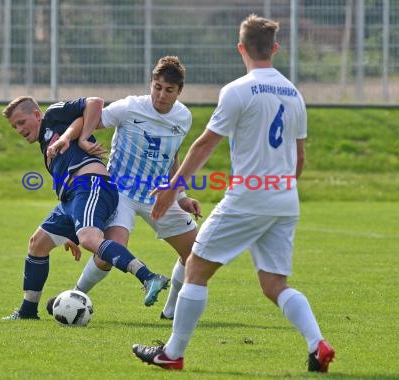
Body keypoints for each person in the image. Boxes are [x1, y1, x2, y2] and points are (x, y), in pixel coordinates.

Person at [131, 14, 335, 372]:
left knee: (195, 268)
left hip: (249, 195)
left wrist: (172, 188)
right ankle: (317, 344)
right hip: (285, 197)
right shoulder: (294, 93)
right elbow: (299, 158)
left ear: (241, 48)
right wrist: (281, 192)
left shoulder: (238, 90)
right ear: (274, 48)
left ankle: (172, 353)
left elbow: (205, 144)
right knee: (274, 284)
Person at [47, 56, 202, 318]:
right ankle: (74, 297)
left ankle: (171, 311)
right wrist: (67, 138)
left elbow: (172, 156)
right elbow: (88, 119)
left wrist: (181, 195)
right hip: (121, 194)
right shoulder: (131, 107)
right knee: (109, 251)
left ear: (179, 91)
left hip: (158, 195)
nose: (161, 95)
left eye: (169, 90)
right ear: (151, 84)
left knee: (194, 252)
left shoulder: (183, 117)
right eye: (157, 87)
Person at [0, 95, 169, 320]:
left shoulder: (52, 114)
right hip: (71, 199)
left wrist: (83, 139)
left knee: (89, 239)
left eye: (21, 122)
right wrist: (65, 233)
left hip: (90, 185)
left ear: (37, 114)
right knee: (38, 243)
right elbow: (76, 122)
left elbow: (95, 102)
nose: (18, 129)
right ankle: (27, 311)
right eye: (14, 127)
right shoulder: (49, 139)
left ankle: (149, 277)